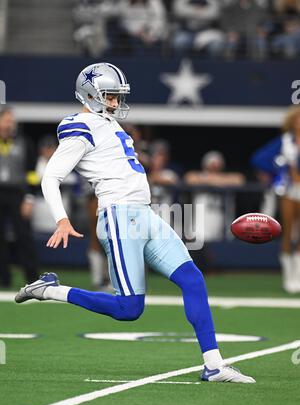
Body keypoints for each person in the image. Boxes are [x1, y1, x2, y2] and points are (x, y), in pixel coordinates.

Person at [15, 62, 255, 383]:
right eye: (110, 96)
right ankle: (50, 291)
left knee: (193, 280)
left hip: (144, 213)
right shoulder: (80, 125)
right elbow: (51, 177)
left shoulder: (109, 123)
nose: (115, 102)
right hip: (118, 215)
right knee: (129, 309)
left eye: (117, 96)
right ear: (91, 94)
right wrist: (61, 218)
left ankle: (214, 364)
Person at [251, 106, 300, 293]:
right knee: (288, 233)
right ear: (292, 122)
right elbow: (258, 158)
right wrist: (275, 173)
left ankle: (298, 275)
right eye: (298, 119)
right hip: (288, 189)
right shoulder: (284, 141)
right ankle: (289, 277)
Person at [0, 106, 39, 287]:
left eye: (12, 121)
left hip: (18, 194)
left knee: (24, 235)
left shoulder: (24, 143)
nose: (10, 124)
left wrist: (29, 198)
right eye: (7, 120)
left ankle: (33, 279)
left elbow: (32, 173)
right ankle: (3, 279)